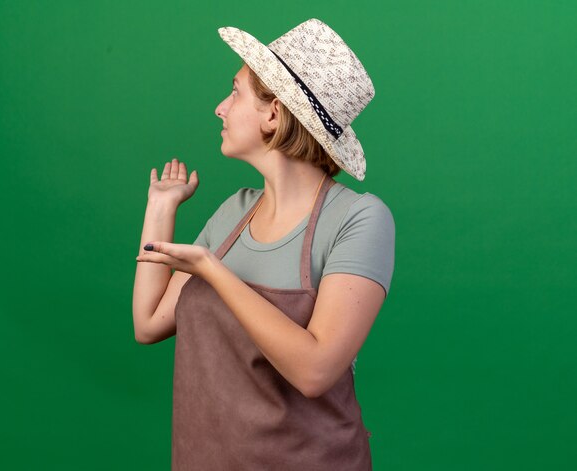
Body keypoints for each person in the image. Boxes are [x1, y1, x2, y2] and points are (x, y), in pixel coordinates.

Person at [132, 18, 395, 470]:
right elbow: (149, 323)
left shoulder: (359, 219)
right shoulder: (234, 212)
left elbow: (314, 372)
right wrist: (160, 209)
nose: (220, 107)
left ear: (274, 114)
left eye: (234, 92)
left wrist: (214, 271)